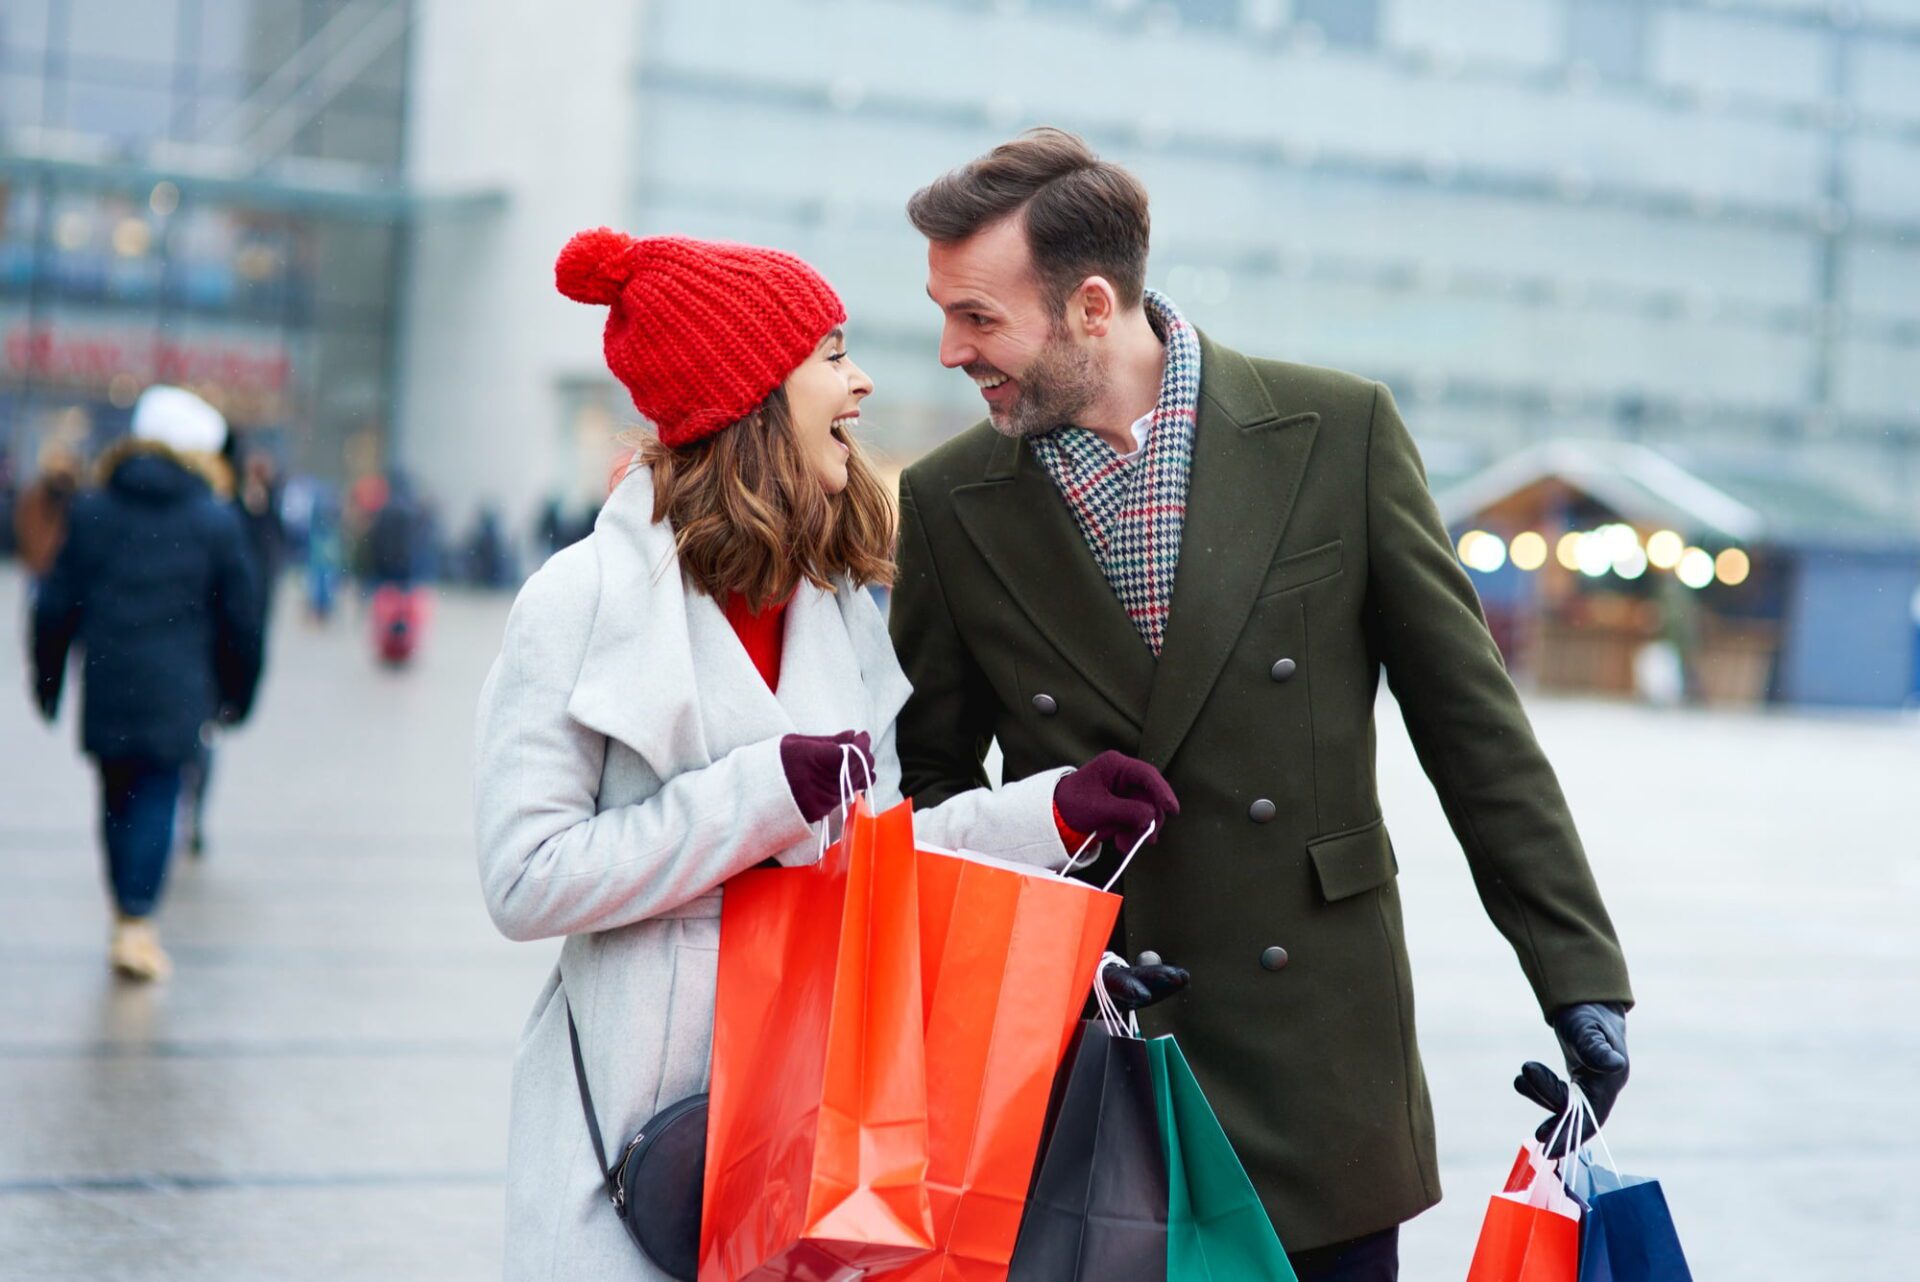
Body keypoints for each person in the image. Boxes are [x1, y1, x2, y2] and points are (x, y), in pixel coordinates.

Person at [888, 129, 1634, 1281]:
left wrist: (1577, 975)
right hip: (1093, 1060)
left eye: (978, 318)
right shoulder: (948, 502)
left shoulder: (1337, 435)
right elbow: (927, 779)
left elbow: (1474, 729)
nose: (948, 351)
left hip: (1316, 1062)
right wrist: (1044, 942)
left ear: (1092, 305)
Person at [472, 230, 1180, 1280]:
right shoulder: (578, 603)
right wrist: (755, 795)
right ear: (750, 392)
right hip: (636, 1147)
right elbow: (524, 881)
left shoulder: (837, 605)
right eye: (830, 354)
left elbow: (879, 846)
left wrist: (1052, 814)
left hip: (813, 1132)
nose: (861, 382)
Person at [31, 385, 263, 982]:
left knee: (114, 798)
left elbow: (55, 603)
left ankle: (126, 913)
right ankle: (136, 919)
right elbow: (243, 616)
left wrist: (49, 681)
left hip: (109, 685)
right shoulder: (215, 519)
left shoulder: (94, 508)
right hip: (179, 691)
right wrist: (239, 691)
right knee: (158, 795)